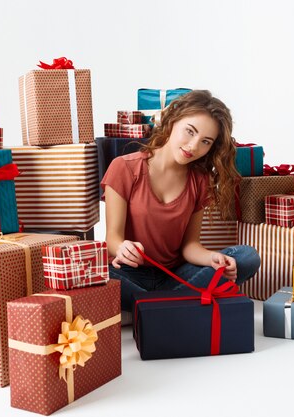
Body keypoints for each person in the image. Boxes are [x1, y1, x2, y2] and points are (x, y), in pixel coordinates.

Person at [101, 90, 260, 312]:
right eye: (189, 131)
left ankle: (149, 308)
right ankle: (174, 305)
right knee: (98, 277)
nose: (194, 146)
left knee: (246, 257)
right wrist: (123, 247)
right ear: (172, 121)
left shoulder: (200, 180)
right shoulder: (124, 167)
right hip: (128, 274)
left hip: (174, 275)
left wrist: (213, 258)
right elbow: (112, 239)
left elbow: (190, 246)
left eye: (205, 141)